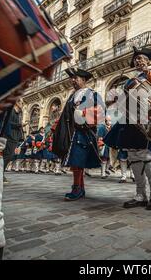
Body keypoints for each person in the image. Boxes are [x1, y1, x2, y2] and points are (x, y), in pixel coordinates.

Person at [104, 47, 151, 210]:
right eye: (136, 59)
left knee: (147, 154)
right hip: (130, 121)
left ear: (148, 61)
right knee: (133, 155)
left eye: (141, 58)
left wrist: (148, 72)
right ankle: (140, 194)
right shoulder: (132, 79)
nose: (138, 60)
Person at [52, 68, 105, 201]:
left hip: (83, 132)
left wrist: (83, 114)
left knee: (77, 161)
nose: (73, 80)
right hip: (71, 131)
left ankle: (77, 188)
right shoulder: (71, 96)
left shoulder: (92, 93)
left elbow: (101, 111)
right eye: (72, 78)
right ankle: (79, 188)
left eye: (76, 78)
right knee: (76, 162)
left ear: (84, 80)